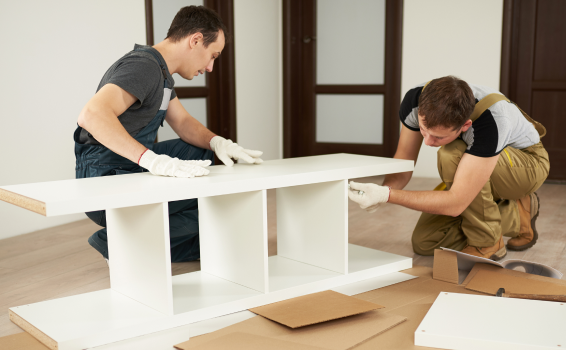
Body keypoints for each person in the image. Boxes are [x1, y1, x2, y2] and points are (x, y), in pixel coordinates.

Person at [73, 6, 262, 262]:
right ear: (195, 40)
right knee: (214, 211)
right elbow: (92, 114)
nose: (210, 67)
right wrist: (152, 161)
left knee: (202, 157)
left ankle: (135, 247)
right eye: (212, 55)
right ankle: (116, 241)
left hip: (128, 167)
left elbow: (183, 122)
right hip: (104, 176)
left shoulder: (162, 73)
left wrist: (219, 142)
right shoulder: (144, 66)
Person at [348, 76, 549, 261]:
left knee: (451, 153)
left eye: (438, 137)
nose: (427, 142)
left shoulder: (491, 121)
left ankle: (487, 242)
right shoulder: (415, 101)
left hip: (528, 164)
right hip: (485, 165)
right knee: (426, 241)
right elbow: (404, 163)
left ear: (465, 125)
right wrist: (382, 192)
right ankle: (518, 216)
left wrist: (387, 195)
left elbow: (456, 204)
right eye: (424, 131)